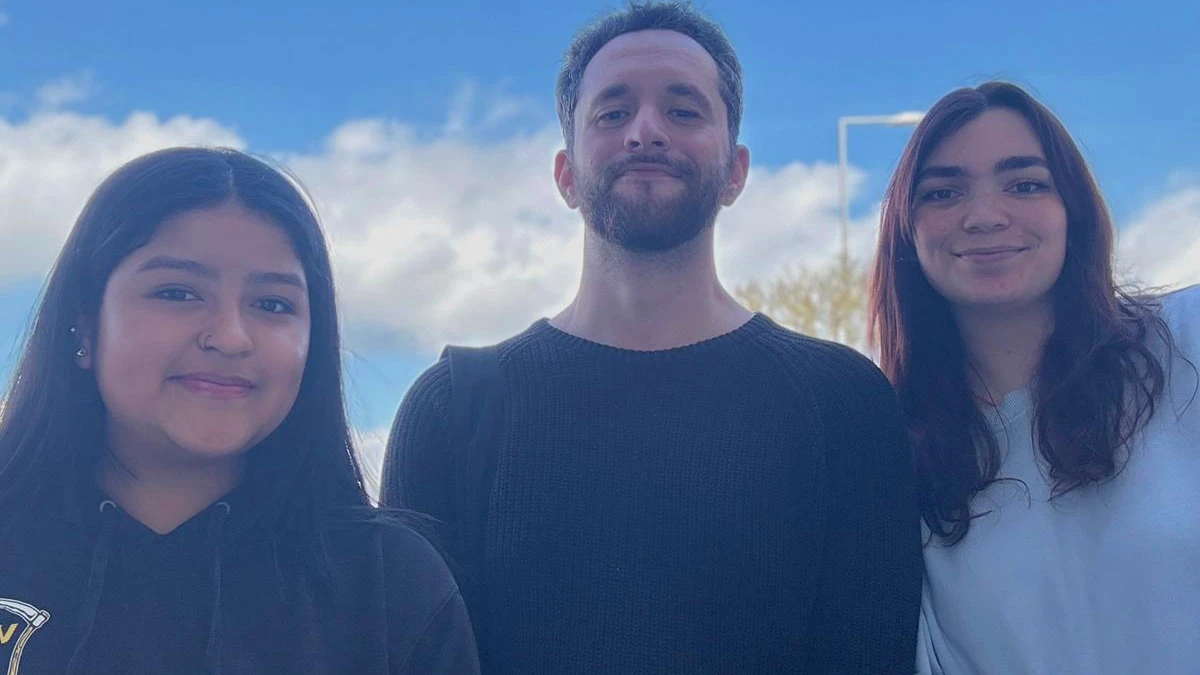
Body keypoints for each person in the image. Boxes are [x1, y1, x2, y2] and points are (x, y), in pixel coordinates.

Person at [382, 3, 921, 673]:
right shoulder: (451, 410)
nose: (645, 132)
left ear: (736, 172)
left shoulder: (843, 403)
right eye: (612, 113)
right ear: (566, 175)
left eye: (683, 111)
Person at [0, 147, 479, 674]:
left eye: (272, 304)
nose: (230, 337)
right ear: (84, 327)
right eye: (177, 292)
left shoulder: (391, 585)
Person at [869, 81, 1200, 674]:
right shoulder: (890, 454)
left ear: (1073, 209)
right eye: (943, 192)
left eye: (1025, 184)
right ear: (906, 232)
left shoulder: (1186, 340)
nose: (985, 217)